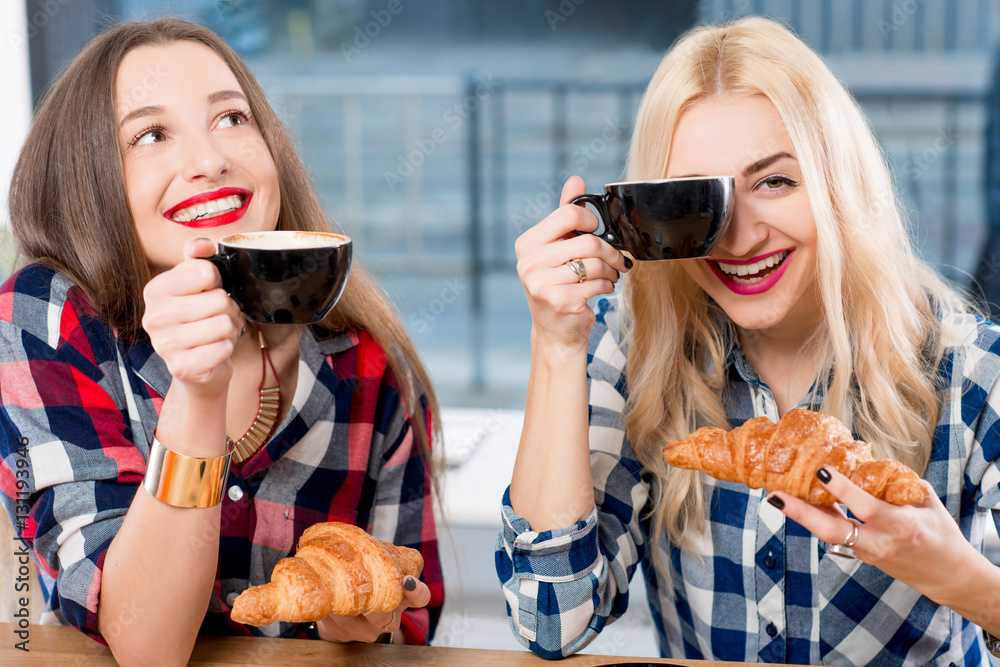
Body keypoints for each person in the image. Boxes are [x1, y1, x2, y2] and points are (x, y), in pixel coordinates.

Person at [496, 15, 1000, 667]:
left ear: (837, 183)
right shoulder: (635, 348)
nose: (739, 238)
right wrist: (556, 344)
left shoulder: (974, 370)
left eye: (773, 182)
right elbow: (550, 621)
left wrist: (951, 573)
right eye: (701, 197)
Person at [0, 17, 443, 665]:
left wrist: (370, 622)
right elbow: (147, 644)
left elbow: (413, 619)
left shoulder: (369, 362)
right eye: (151, 135)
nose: (211, 160)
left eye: (232, 119)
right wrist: (198, 392)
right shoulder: (43, 320)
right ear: (84, 181)